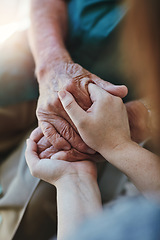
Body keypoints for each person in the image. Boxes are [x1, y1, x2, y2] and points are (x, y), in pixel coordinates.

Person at [0, 0, 154, 239]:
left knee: (37, 199)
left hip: (131, 104)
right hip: (42, 55)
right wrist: (50, 65)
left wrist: (131, 123)